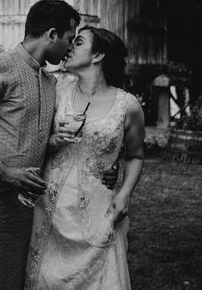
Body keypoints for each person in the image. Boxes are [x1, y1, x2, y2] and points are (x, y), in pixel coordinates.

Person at [0, 0, 118, 290]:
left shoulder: (50, 83)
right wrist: (3, 171)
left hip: (22, 210)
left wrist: (86, 155)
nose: (69, 47)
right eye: (68, 39)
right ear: (51, 35)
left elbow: (35, 140)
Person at [24, 26, 145, 290]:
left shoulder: (128, 106)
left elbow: (135, 155)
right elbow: (31, 142)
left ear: (98, 55)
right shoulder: (55, 91)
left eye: (78, 42)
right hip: (51, 207)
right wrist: (53, 141)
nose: (70, 47)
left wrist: (124, 194)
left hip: (99, 209)